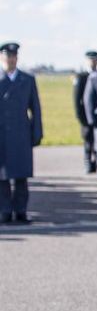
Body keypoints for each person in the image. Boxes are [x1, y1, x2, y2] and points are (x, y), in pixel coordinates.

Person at [0, 43, 42, 224]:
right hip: (1, 134)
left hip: (20, 133)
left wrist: (37, 132)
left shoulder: (27, 79)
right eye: (7, 56)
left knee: (21, 175)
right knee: (2, 176)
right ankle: (4, 210)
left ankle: (21, 210)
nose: (10, 59)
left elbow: (35, 108)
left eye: (13, 56)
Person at [74, 50, 97, 173]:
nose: (93, 63)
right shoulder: (82, 76)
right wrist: (81, 117)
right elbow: (76, 99)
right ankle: (88, 162)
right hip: (85, 115)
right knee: (88, 140)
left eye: (95, 60)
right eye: (91, 60)